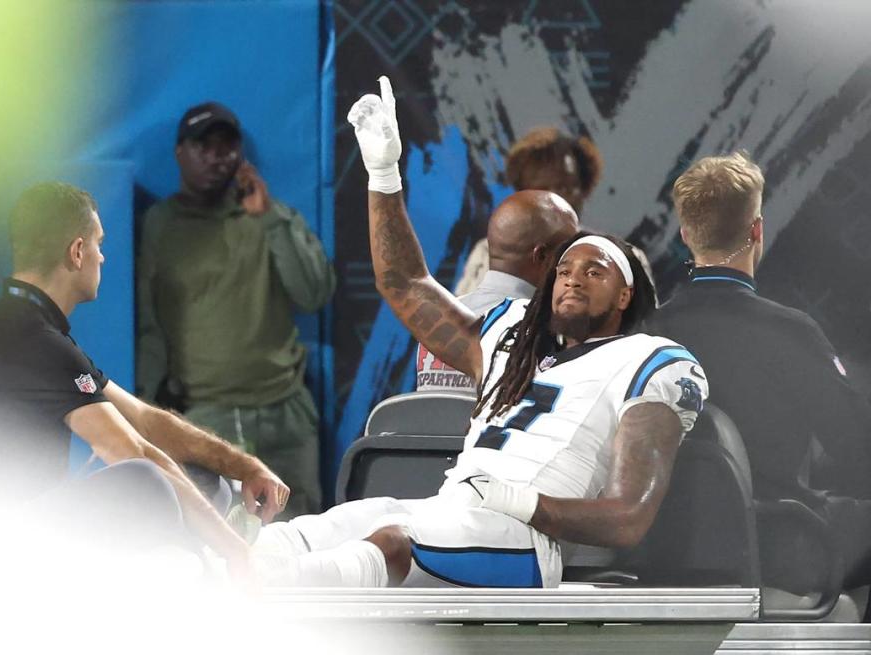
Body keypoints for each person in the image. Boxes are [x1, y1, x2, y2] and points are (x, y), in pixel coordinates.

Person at [248, 77, 708, 589]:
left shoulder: (653, 360)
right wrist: (382, 175)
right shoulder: (509, 331)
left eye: (595, 270)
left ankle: (260, 615)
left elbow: (628, 517)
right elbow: (404, 282)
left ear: (625, 295)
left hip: (523, 540)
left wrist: (521, 501)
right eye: (564, 267)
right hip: (454, 511)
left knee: (389, 544)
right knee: (302, 534)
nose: (574, 275)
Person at [0, 181, 289, 572]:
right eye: (99, 244)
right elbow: (134, 450)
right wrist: (237, 551)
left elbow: (147, 421)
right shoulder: (35, 339)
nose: (103, 257)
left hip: (12, 527)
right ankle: (204, 561)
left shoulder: (24, 324)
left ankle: (194, 558)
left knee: (201, 476)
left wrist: (246, 467)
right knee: (148, 483)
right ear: (77, 252)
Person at [647, 151, 871, 592]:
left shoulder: (647, 333)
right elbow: (858, 449)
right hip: (777, 546)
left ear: (687, 235)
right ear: (756, 229)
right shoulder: (791, 332)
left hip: (663, 550)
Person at [137, 102, 336, 516]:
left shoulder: (270, 217)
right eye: (202, 146)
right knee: (213, 543)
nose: (215, 156)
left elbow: (315, 292)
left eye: (226, 146)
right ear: (180, 153)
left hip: (285, 414)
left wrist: (268, 218)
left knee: (301, 540)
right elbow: (148, 322)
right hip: (206, 419)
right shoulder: (160, 224)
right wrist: (149, 408)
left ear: (241, 155)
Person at [416, 190, 578, 393]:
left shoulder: (437, 319)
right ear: (543, 256)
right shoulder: (541, 331)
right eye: (569, 254)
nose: (574, 269)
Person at [454, 126, 603, 295]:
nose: (554, 201)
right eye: (541, 190)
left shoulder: (617, 258)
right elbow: (470, 316)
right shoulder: (490, 253)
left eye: (564, 188)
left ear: (584, 189)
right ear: (521, 194)